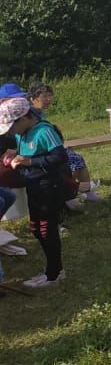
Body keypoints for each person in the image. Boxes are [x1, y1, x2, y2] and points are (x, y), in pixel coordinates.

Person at [0, 96, 72, 288]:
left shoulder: (44, 131)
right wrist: (14, 154)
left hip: (49, 185)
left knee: (47, 230)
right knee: (36, 229)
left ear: (23, 119)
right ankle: (52, 270)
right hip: (34, 184)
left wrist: (30, 162)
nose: (11, 131)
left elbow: (60, 157)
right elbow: (25, 151)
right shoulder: (22, 133)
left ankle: (54, 273)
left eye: (11, 127)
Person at [27, 82, 97, 204]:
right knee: (69, 159)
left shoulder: (39, 113)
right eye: (44, 96)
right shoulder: (30, 114)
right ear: (33, 99)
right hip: (39, 153)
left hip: (46, 149)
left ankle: (81, 192)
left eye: (50, 96)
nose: (48, 99)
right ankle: (72, 194)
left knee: (74, 157)